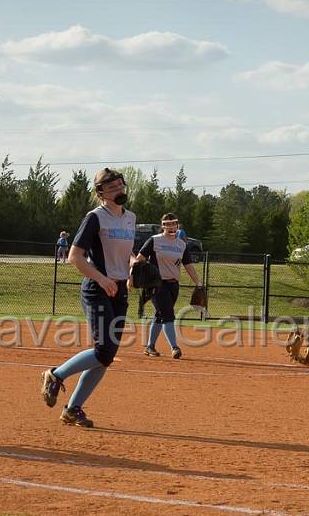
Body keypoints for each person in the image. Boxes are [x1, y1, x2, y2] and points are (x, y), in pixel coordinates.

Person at [39, 168, 136, 428]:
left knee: (106, 355)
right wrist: (102, 279)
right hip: (97, 288)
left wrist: (135, 263)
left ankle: (72, 409)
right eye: (111, 186)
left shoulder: (130, 218)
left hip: (120, 291)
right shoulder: (95, 218)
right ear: (101, 193)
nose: (118, 189)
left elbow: (126, 252)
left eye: (120, 184)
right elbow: (75, 256)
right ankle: (56, 375)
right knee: (104, 350)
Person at [133, 213, 202, 359]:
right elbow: (139, 260)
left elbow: (188, 265)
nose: (171, 226)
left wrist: (198, 282)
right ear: (163, 226)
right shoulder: (154, 241)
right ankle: (174, 347)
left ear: (177, 225)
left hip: (173, 285)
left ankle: (150, 347)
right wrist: (136, 277)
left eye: (174, 224)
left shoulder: (181, 244)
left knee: (160, 315)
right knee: (168, 314)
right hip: (156, 284)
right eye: (168, 224)